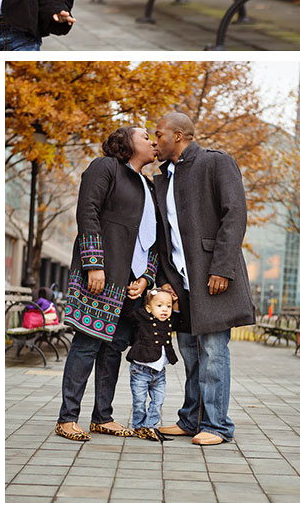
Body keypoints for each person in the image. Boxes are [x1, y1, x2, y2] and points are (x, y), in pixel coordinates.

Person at [153, 105, 256, 443]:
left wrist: (223, 268)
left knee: (213, 352)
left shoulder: (216, 162)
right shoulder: (164, 176)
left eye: (159, 134)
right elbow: (166, 234)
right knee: (191, 354)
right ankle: (191, 420)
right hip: (181, 282)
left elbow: (235, 213)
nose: (155, 141)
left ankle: (217, 426)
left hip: (213, 276)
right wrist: (165, 278)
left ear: (177, 136)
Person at [57, 124, 159, 440]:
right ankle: (66, 418)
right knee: (87, 344)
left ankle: (103, 416)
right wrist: (93, 263)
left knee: (113, 349)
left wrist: (146, 278)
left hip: (129, 284)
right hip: (101, 276)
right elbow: (87, 211)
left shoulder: (149, 185)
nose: (153, 142)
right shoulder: (106, 168)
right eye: (145, 137)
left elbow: (156, 240)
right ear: (125, 144)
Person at [126, 279, 178, 437]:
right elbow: (129, 315)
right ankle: (138, 426)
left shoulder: (168, 322)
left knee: (158, 401)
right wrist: (133, 297)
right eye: (160, 305)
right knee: (139, 402)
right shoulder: (143, 317)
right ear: (148, 308)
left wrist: (174, 304)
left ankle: (149, 425)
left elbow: (176, 316)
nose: (165, 310)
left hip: (159, 372)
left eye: (168, 306)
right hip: (140, 370)